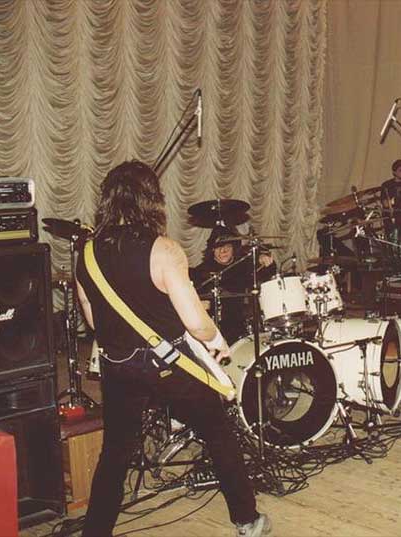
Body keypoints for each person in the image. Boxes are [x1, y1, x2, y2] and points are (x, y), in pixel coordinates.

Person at [75, 161, 271, 537]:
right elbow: (196, 322)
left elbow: (93, 320)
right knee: (218, 431)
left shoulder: (85, 253)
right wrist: (216, 340)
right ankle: (248, 520)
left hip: (117, 364)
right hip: (168, 363)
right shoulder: (163, 249)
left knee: (114, 453)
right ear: (152, 200)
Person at [192, 225, 276, 345]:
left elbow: (268, 272)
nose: (223, 251)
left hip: (239, 325)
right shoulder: (201, 271)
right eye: (218, 247)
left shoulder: (241, 265)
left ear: (234, 248)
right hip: (211, 328)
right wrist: (199, 304)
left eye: (227, 246)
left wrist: (264, 259)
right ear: (212, 250)